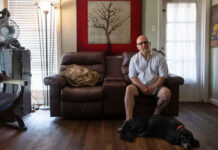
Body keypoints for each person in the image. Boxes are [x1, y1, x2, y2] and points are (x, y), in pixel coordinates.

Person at [118, 35, 171, 132]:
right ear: (137, 46)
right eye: (140, 44)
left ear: (149, 44)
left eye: (145, 42)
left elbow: (163, 75)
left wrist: (154, 87)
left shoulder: (159, 57)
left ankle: (156, 114)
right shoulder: (134, 59)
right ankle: (128, 120)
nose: (143, 45)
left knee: (166, 93)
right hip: (139, 86)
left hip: (156, 86)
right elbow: (132, 76)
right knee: (129, 89)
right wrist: (142, 87)